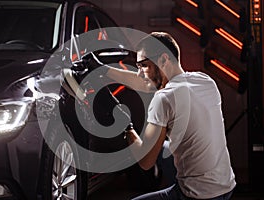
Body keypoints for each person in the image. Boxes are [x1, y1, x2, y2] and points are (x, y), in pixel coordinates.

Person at [86, 32, 236, 199]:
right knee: (164, 147)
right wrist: (103, 70)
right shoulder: (205, 81)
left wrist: (126, 126)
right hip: (226, 186)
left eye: (143, 65)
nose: (139, 73)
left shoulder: (163, 99)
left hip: (197, 195)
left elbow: (146, 162)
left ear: (164, 60)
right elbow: (145, 84)